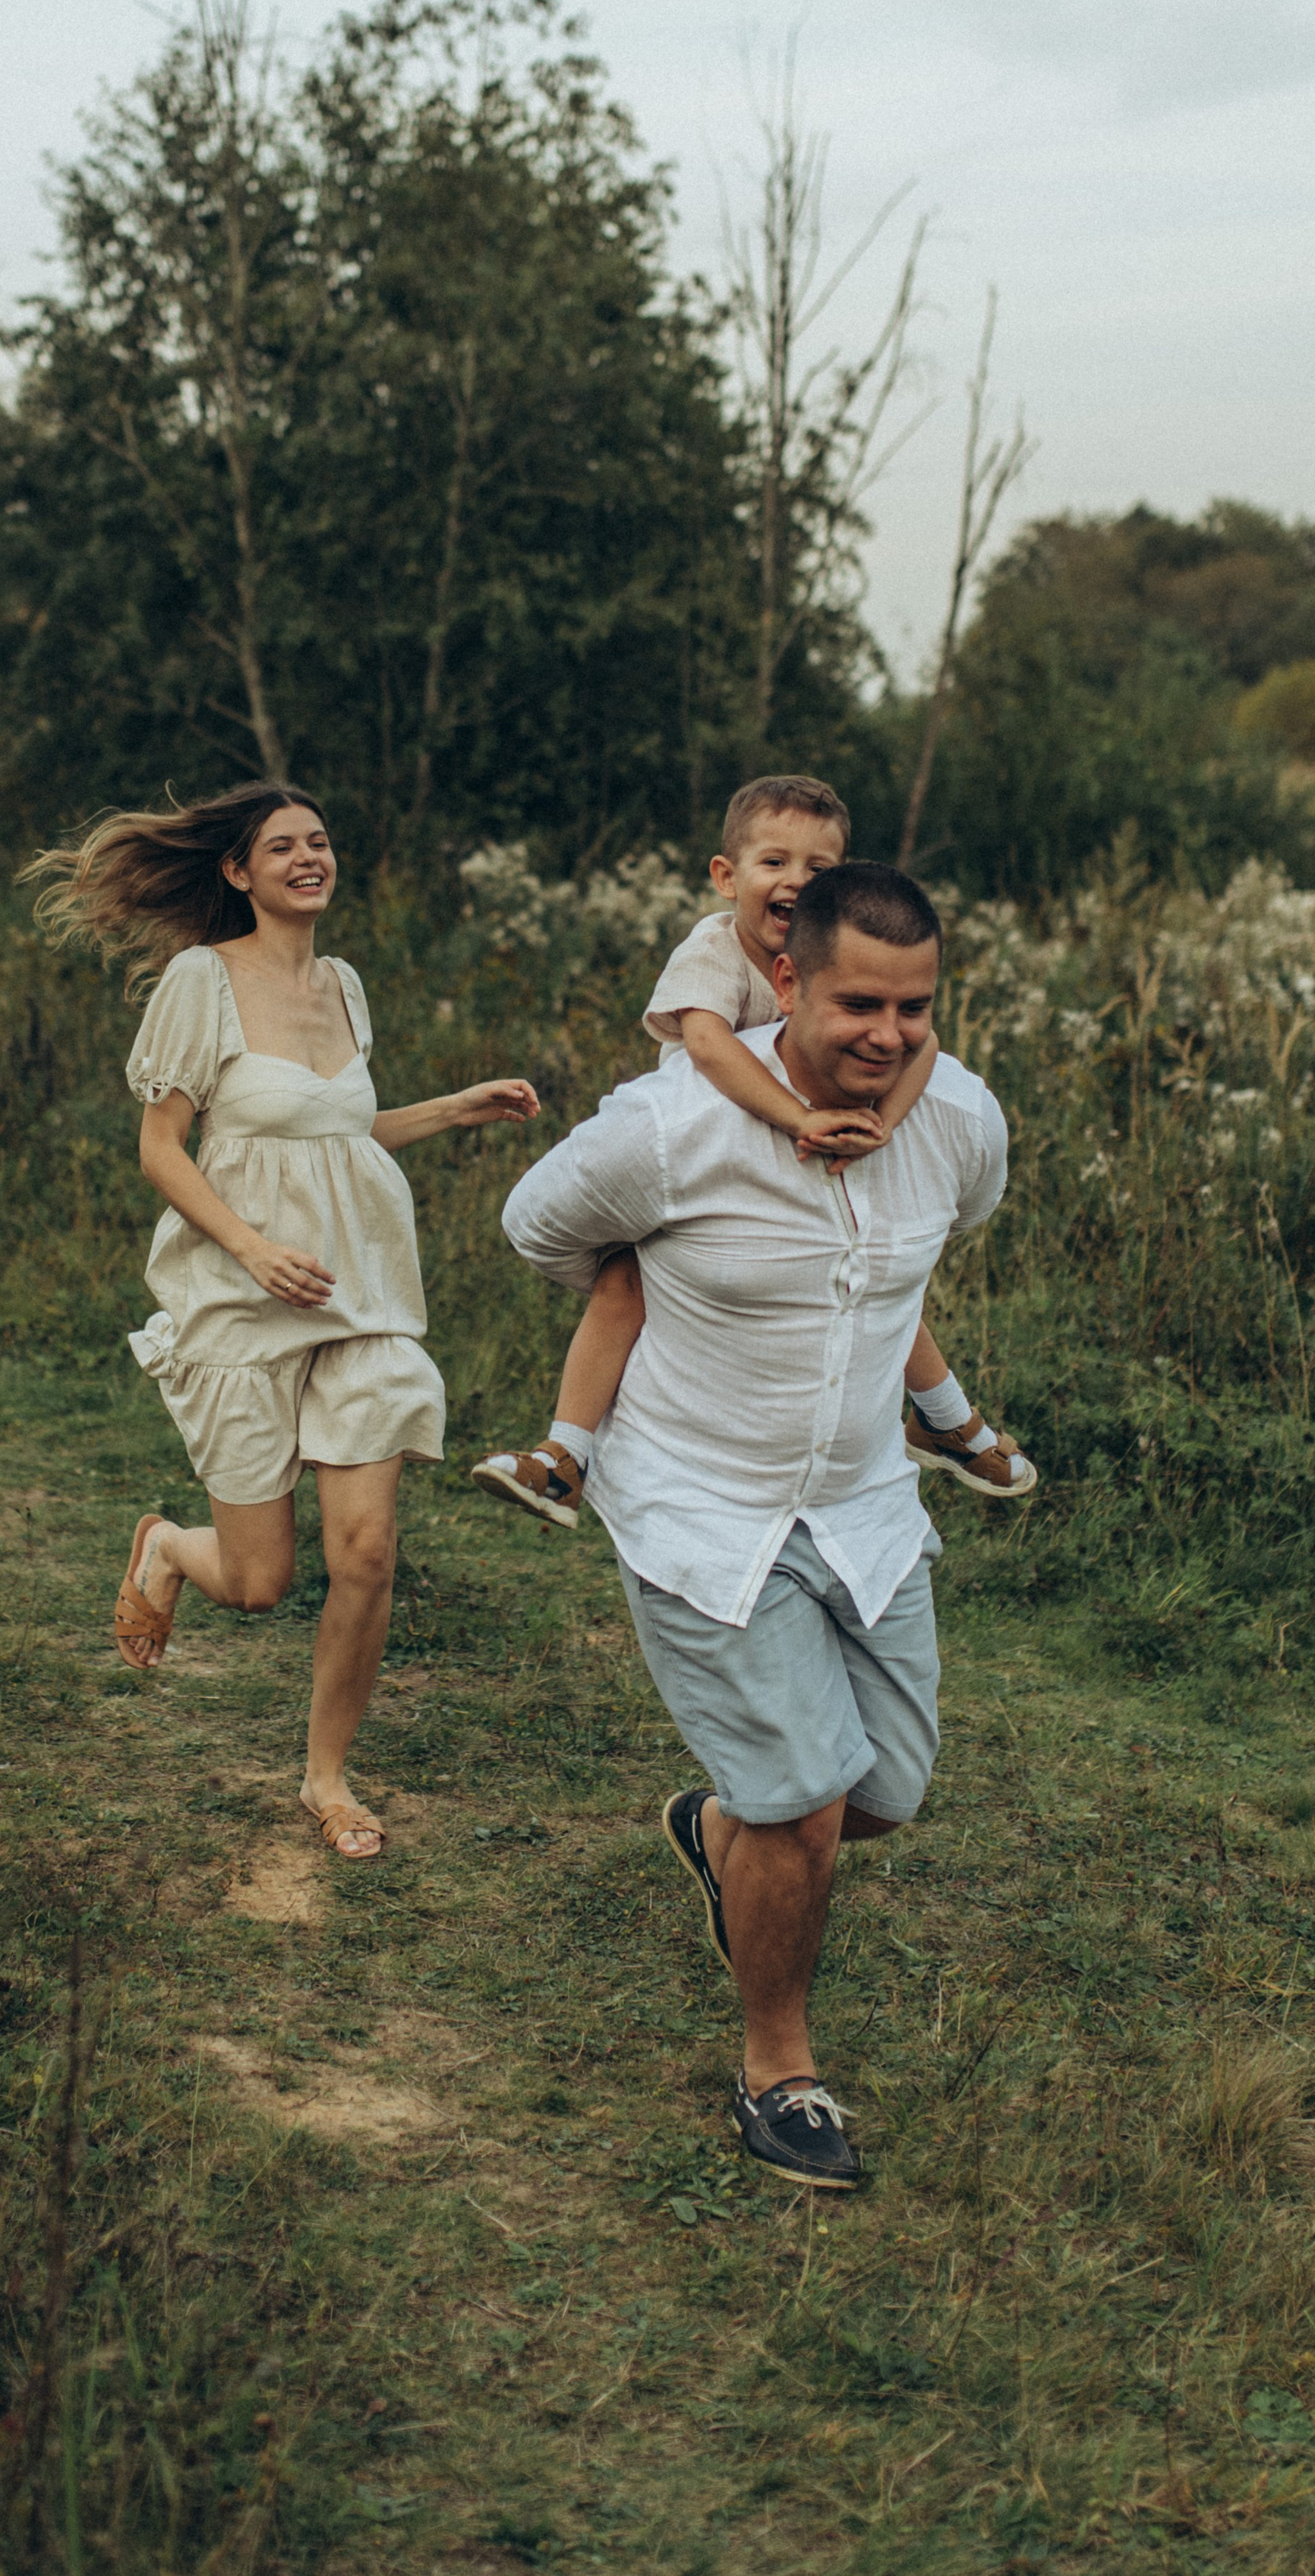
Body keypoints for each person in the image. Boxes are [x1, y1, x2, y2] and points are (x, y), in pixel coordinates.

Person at [500, 860, 1008, 2187]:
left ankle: (720, 1833)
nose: (888, 1033)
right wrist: (647, 1280)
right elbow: (538, 1222)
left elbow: (944, 1243)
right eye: (858, 1002)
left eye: (915, 1005)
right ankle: (779, 2063)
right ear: (784, 978)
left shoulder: (959, 1121)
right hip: (698, 1508)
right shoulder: (667, 1129)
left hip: (863, 1509)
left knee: (883, 1790)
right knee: (803, 1804)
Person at [26, 781, 538, 1860]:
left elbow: (337, 1134)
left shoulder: (346, 984)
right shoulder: (199, 980)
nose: (310, 856)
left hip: (364, 1301)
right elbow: (163, 1145)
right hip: (243, 1299)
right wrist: (251, 1248)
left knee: (368, 1552)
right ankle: (166, 1545)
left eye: (321, 840)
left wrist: (454, 1107)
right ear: (237, 871)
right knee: (260, 1583)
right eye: (283, 846)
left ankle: (327, 1779)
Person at [472, 776, 1031, 1529]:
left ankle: (945, 1418)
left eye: (819, 868)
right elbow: (706, 1046)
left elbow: (923, 1044)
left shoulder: (848, 962)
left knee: (875, 1284)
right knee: (623, 1288)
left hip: (814, 1137)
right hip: (707, 1162)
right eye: (775, 862)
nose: (797, 881)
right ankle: (565, 1454)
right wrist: (800, 1118)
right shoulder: (711, 949)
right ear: (725, 876)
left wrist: (882, 1127)